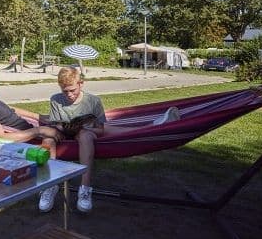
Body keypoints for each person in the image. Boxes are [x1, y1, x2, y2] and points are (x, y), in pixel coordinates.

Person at [42, 66, 180, 214]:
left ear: (81, 83)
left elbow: (100, 130)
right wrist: (65, 128)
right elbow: (56, 126)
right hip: (63, 134)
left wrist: (84, 128)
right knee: (48, 140)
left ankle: (85, 189)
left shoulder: (93, 101)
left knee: (87, 134)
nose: (69, 94)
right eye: (65, 91)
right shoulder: (55, 100)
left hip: (86, 134)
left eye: (72, 90)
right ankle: (49, 186)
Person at [0, 61, 61, 148]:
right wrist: (40, 130)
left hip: (33, 128)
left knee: (69, 122)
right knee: (72, 128)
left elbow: (8, 109)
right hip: (33, 139)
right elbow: (1, 136)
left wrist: (38, 116)